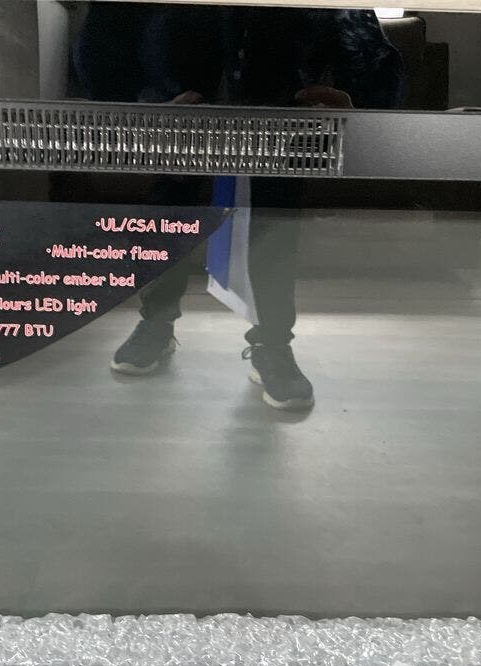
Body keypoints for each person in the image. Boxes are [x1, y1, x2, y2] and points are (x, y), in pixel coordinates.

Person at [73, 4, 405, 409]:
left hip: (281, 112)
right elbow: (104, 38)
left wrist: (360, 102)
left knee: (273, 223)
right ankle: (156, 323)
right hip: (179, 110)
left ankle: (273, 344)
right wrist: (143, 101)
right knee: (169, 217)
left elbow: (363, 44)